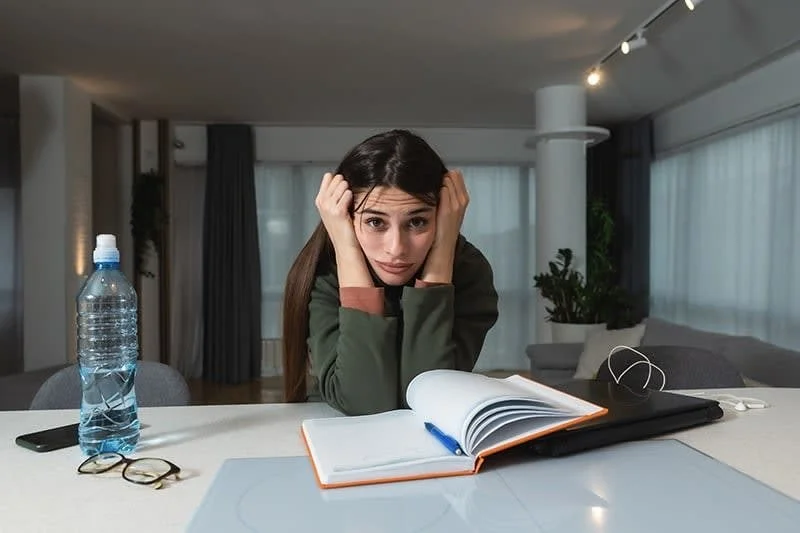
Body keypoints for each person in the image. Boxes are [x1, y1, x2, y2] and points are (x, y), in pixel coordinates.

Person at [282, 129, 499, 415]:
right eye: (375, 222)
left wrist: (442, 250)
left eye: (418, 221)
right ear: (345, 218)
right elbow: (362, 402)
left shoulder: (468, 271)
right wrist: (347, 249)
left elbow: (429, 397)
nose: (396, 248)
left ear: (444, 217)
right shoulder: (324, 274)